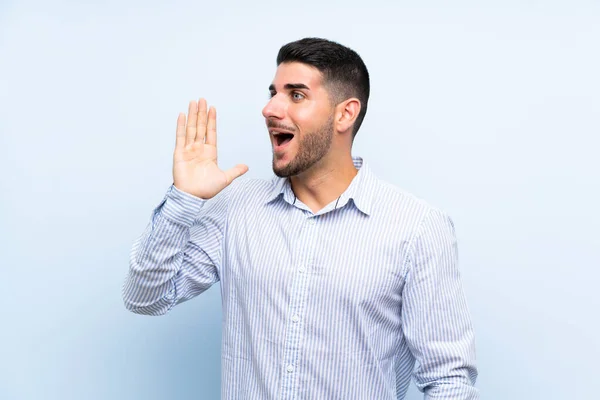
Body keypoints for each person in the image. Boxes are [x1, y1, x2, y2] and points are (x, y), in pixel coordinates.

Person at [122, 37, 479, 399]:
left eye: (296, 95)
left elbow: (448, 380)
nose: (270, 108)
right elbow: (145, 298)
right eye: (273, 92)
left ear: (345, 114)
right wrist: (184, 199)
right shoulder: (236, 209)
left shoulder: (417, 227)